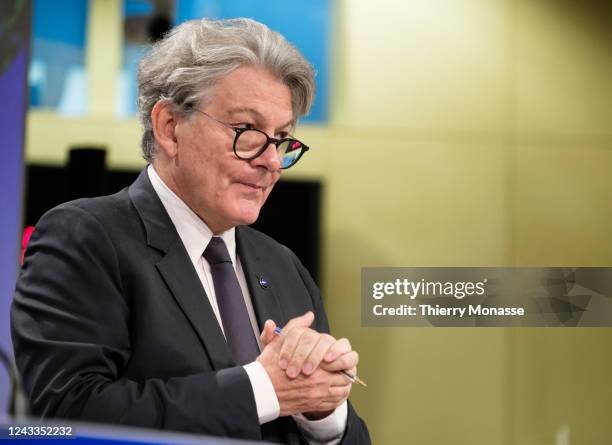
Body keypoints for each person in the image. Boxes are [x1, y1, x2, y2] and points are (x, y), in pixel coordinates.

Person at [11, 18, 370, 444]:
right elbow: (69, 416)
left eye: (282, 139)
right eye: (248, 132)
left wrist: (322, 412)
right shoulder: (84, 237)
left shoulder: (284, 265)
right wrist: (262, 388)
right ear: (170, 127)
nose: (271, 162)